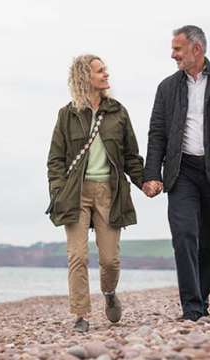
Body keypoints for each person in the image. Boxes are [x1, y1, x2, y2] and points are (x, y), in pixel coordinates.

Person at [143, 25, 210, 321]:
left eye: (178, 49)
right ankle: (191, 308)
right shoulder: (166, 87)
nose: (172, 54)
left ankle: (202, 299)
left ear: (197, 49)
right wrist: (151, 174)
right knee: (184, 236)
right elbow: (157, 134)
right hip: (182, 172)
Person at [47, 54, 144, 332]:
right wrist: (58, 191)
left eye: (105, 70)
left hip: (109, 192)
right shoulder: (67, 115)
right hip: (75, 192)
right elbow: (55, 160)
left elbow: (131, 156)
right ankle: (81, 315)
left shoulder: (118, 112)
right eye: (101, 71)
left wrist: (145, 183)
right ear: (84, 77)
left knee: (109, 260)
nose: (106, 75)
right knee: (77, 256)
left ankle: (110, 293)